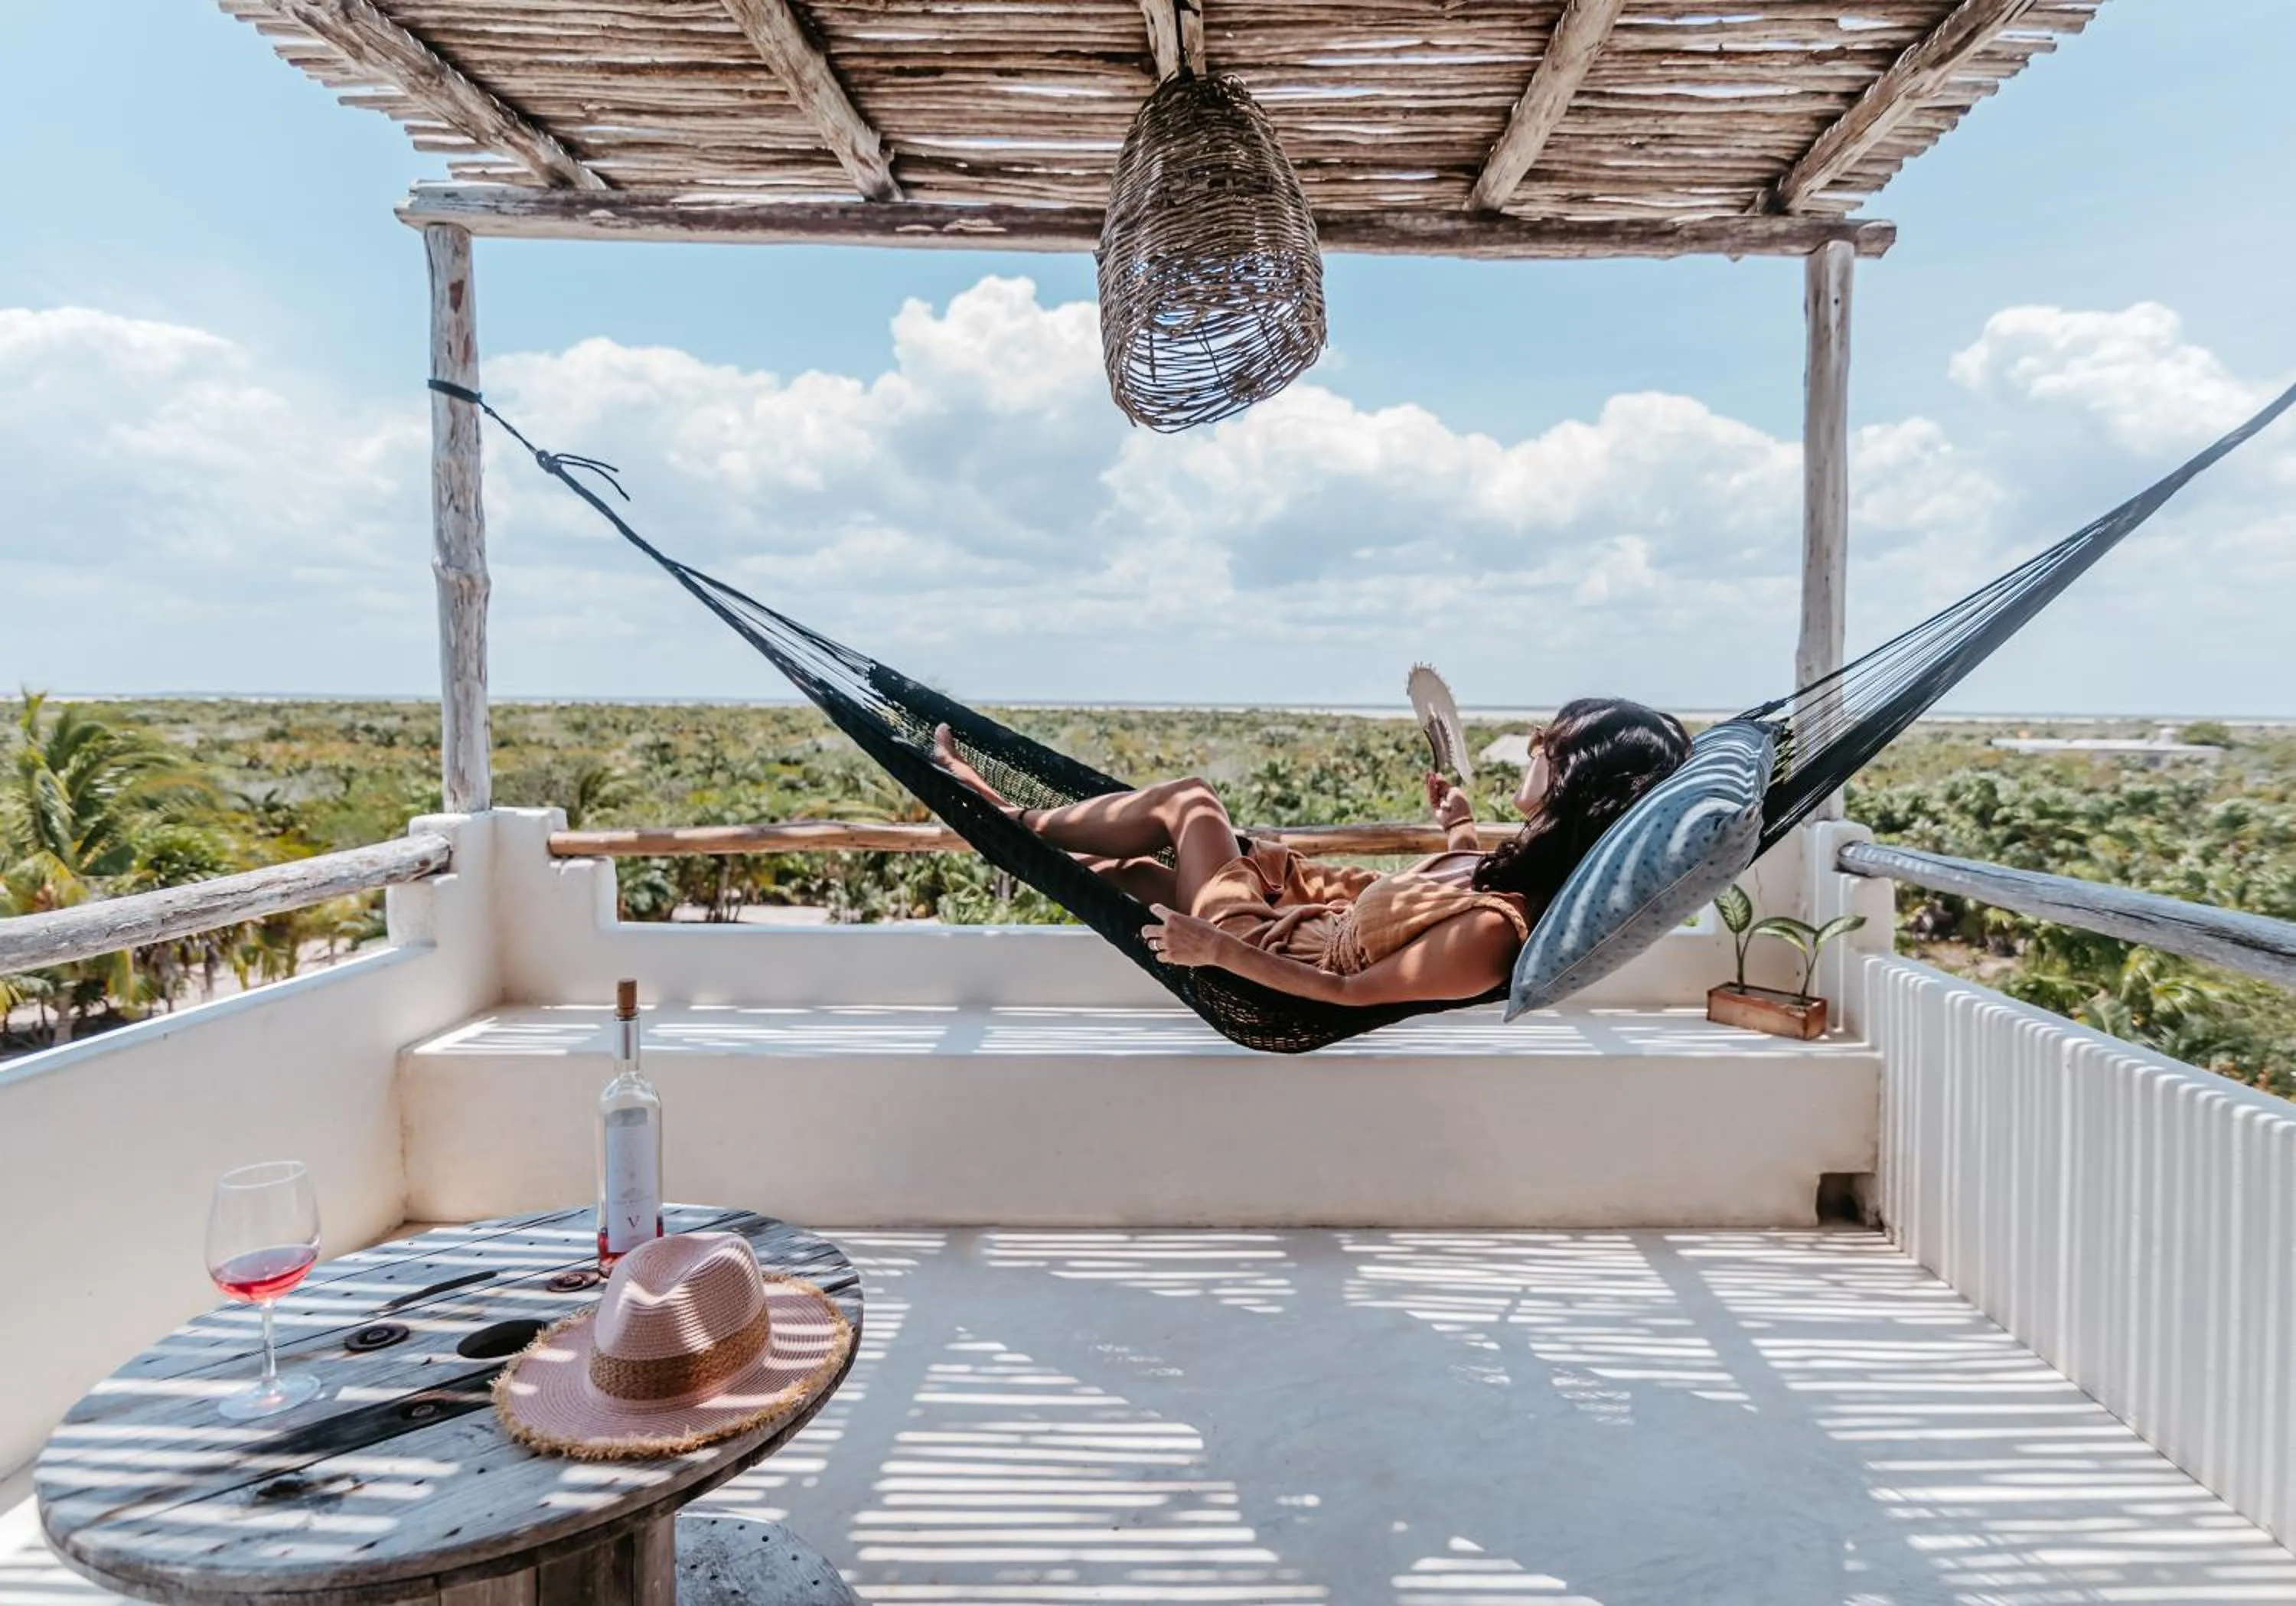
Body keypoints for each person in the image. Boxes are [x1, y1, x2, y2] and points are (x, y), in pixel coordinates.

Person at [931, 697, 1691, 1008]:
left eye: (1548, 748)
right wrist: (1456, 829)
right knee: (1130, 873)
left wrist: (1218, 951)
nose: (1532, 748)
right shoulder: (1519, 873)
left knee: (1191, 801)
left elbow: (1350, 995)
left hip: (1269, 947)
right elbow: (1459, 885)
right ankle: (1013, 840)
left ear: (1581, 783)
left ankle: (1012, 820)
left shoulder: (1497, 932)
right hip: (1300, 908)